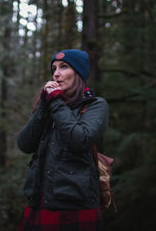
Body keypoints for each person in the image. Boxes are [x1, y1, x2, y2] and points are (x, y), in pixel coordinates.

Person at [17, 49, 109, 231]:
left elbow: (80, 140)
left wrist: (56, 103)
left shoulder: (96, 105)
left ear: (79, 73)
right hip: (39, 204)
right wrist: (44, 106)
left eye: (64, 67)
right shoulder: (49, 106)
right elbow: (24, 144)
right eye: (54, 69)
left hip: (75, 208)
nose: (56, 73)